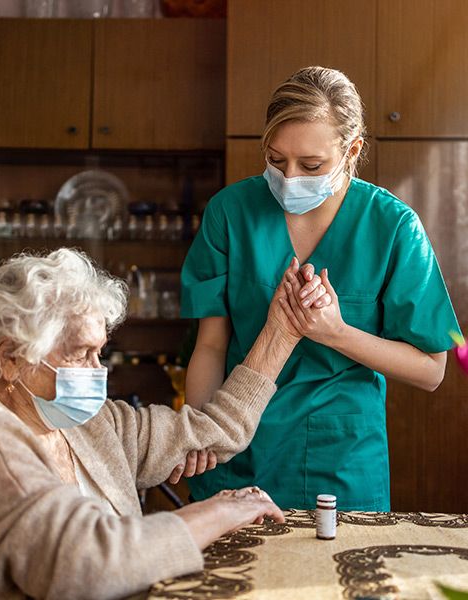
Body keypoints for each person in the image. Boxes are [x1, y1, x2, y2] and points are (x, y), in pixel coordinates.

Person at [0, 248, 325, 599]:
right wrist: (220, 510)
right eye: (78, 353)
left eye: (99, 353)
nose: (96, 372)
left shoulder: (87, 423)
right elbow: (87, 564)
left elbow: (215, 431)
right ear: (11, 357)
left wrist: (282, 331)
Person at [180, 66, 459, 512]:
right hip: (237, 450)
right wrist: (199, 433)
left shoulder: (392, 226)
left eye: (311, 166)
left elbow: (431, 370)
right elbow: (211, 347)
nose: (289, 178)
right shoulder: (231, 213)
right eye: (275, 160)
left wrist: (335, 332)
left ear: (353, 150)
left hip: (341, 461)